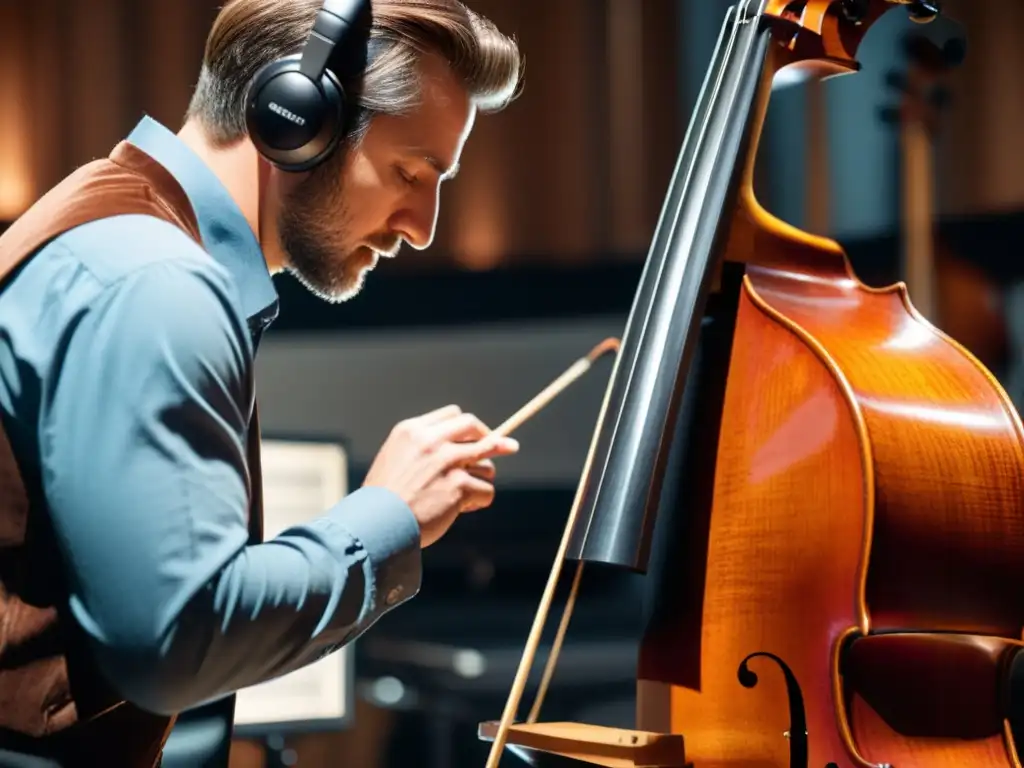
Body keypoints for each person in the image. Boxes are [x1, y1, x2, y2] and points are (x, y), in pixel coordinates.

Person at [0, 0, 523, 765]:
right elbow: (174, 642)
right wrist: (386, 519)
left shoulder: (116, 231)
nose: (423, 226)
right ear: (296, 118)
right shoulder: (159, 285)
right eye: (410, 172)